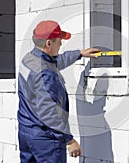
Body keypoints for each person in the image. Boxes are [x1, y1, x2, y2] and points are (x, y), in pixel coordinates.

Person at [17, 20, 100, 162]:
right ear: (49, 43)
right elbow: (49, 112)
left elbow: (55, 62)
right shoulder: (46, 74)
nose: (61, 44)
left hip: (26, 132)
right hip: (46, 139)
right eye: (59, 41)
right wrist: (69, 140)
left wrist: (80, 53)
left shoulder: (29, 59)